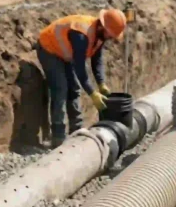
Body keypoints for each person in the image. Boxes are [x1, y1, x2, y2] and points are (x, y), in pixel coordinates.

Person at [37, 9, 127, 147]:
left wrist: (101, 83)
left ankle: (76, 130)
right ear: (103, 27)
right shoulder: (82, 35)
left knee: (74, 88)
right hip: (49, 48)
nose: (112, 38)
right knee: (61, 88)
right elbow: (79, 68)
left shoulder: (100, 35)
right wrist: (92, 93)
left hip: (66, 53)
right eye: (111, 34)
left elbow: (97, 61)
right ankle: (58, 137)